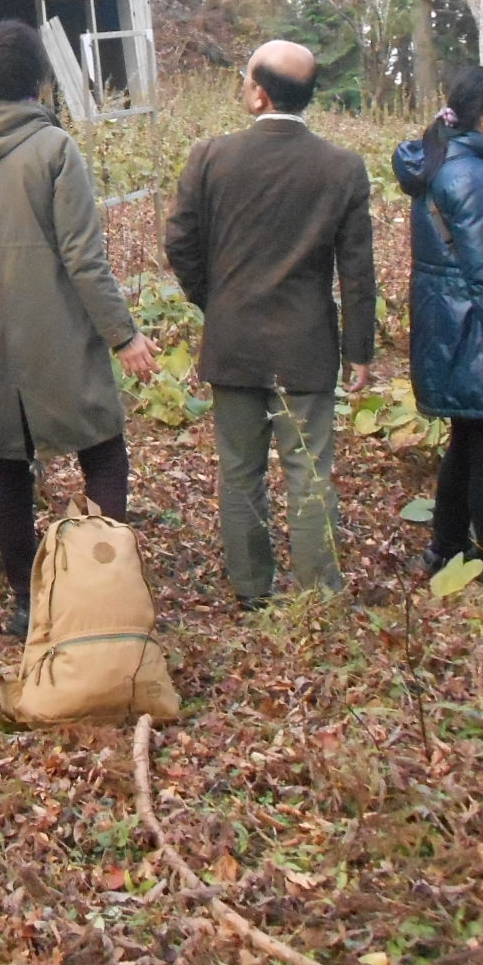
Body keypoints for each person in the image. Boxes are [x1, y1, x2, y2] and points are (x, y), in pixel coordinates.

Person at [0, 22, 157, 635]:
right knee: (104, 451)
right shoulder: (54, 149)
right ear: (37, 80)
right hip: (57, 332)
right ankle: (99, 587)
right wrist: (124, 335)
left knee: (10, 464)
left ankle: (25, 604)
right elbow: (84, 259)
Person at [164, 40, 373, 604]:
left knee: (240, 474)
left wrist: (215, 300)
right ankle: (319, 596)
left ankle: (253, 590)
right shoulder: (342, 168)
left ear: (258, 92)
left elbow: (180, 241)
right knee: (309, 475)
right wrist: (359, 349)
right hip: (306, 345)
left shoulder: (210, 156)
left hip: (233, 341)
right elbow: (356, 269)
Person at [393, 66, 483, 576]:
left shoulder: (441, 162)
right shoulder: (471, 176)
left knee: (468, 437)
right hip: (475, 327)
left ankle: (447, 548)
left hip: (448, 321)